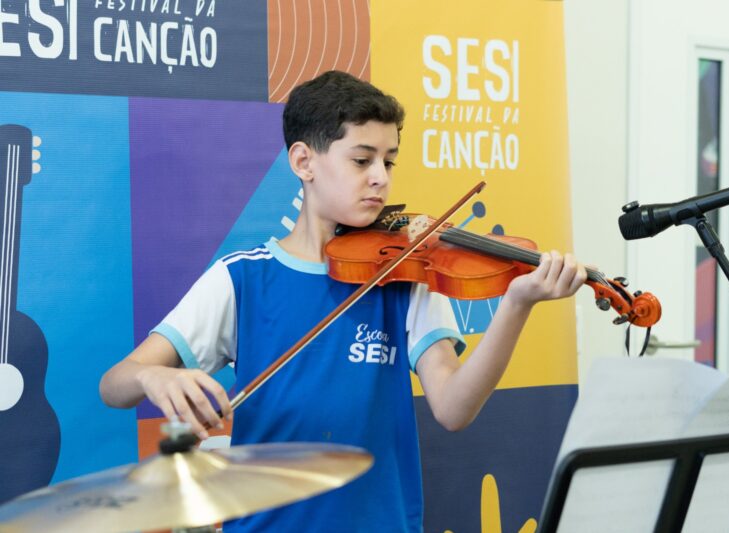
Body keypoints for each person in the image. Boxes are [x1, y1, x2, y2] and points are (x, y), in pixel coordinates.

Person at [100, 70, 587, 532]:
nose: (381, 177)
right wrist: (151, 373)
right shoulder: (244, 278)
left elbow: (454, 409)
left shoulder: (404, 275)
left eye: (389, 160)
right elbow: (114, 386)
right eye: (362, 159)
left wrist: (517, 303)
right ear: (303, 162)